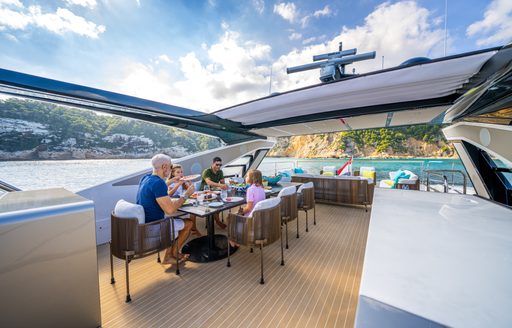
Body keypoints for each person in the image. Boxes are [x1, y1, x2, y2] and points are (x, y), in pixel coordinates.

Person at [136, 154, 195, 264]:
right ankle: (170, 255)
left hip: (144, 223)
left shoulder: (146, 178)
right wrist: (186, 194)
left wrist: (174, 180)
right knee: (189, 223)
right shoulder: (158, 183)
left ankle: (172, 254)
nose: (171, 168)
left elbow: (160, 187)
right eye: (170, 166)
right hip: (156, 225)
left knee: (177, 220)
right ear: (164, 167)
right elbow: (170, 210)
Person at [167, 164, 201, 236]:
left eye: (181, 172)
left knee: (194, 209)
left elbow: (191, 190)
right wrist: (178, 184)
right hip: (174, 203)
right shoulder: (171, 182)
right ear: (173, 173)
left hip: (182, 201)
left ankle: (193, 228)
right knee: (192, 210)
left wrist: (189, 181)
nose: (180, 174)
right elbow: (169, 194)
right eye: (178, 172)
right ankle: (192, 228)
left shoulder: (182, 181)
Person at [200, 156, 228, 229]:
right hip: (204, 192)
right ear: (212, 164)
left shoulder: (220, 172)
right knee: (217, 203)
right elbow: (208, 182)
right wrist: (220, 185)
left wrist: (224, 186)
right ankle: (218, 221)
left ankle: (216, 219)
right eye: (217, 164)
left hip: (214, 191)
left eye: (220, 165)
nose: (218, 166)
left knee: (221, 202)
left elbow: (222, 182)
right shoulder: (207, 171)